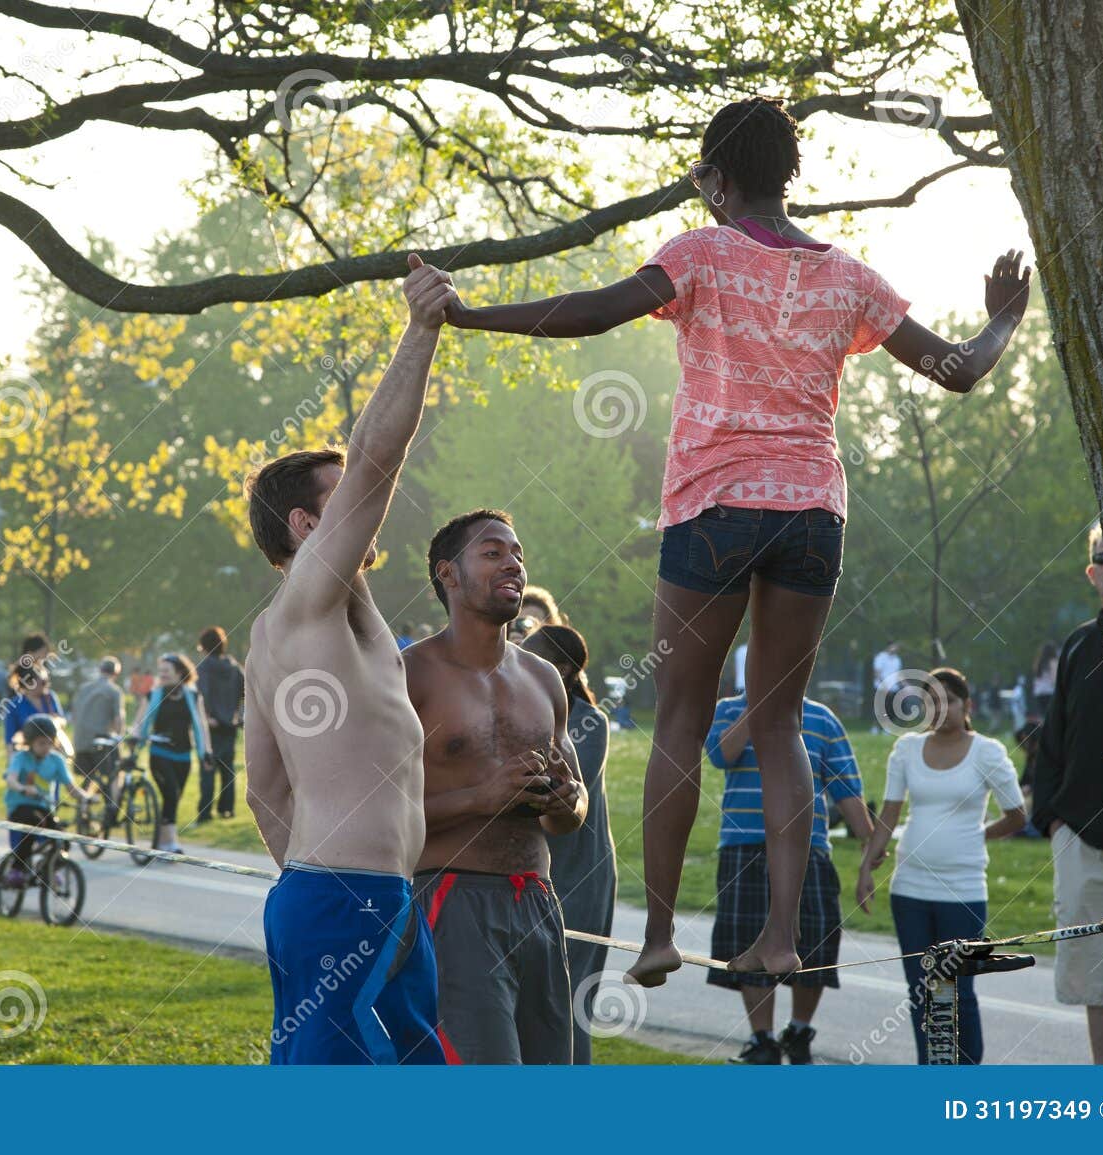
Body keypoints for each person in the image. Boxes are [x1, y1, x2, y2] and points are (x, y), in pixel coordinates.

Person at [440, 95, 1031, 985]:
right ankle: (783, 938)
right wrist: (1004, 318)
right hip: (811, 515)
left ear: (715, 180)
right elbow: (958, 370)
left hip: (714, 507)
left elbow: (593, 312)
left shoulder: (703, 252)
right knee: (780, 721)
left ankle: (661, 935)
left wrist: (469, 314)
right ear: (787, 175)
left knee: (681, 714)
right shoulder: (851, 278)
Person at [242, 255, 457, 1065]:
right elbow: (375, 456)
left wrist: (312, 877)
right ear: (305, 526)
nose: (370, 511)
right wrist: (421, 331)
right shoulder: (303, 602)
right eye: (343, 504)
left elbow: (265, 789)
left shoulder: (324, 624)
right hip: (346, 903)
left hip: (368, 902)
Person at [406, 510, 588, 1064]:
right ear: (449, 574)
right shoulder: (408, 675)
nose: (513, 563)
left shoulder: (544, 678)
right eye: (493, 552)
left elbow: (573, 806)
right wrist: (482, 799)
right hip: (450, 899)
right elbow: (373, 815)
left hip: (537, 901)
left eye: (518, 554)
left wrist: (563, 801)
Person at [857, 668, 1027, 1064]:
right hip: (910, 889)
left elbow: (1017, 815)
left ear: (966, 705)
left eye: (948, 700)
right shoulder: (906, 750)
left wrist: (976, 837)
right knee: (922, 991)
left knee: (957, 990)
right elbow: (890, 812)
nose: (940, 708)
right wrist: (867, 867)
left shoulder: (987, 751)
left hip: (963, 889)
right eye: (931, 700)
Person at [705, 691, 872, 1064]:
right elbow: (720, 755)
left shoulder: (822, 719)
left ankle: (798, 1031)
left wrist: (869, 848)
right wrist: (757, 709)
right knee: (749, 940)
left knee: (813, 940)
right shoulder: (728, 710)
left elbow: (847, 788)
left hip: (807, 847)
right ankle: (762, 1039)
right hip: (743, 843)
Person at [1030, 522, 1103, 1064]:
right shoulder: (1078, 646)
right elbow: (1053, 741)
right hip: (1084, 837)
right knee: (1098, 976)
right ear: (1093, 572)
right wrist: (1052, 818)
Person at [523, 624, 614, 1065]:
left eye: (532, 655)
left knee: (572, 997)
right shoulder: (517, 708)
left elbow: (561, 795)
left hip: (580, 877)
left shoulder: (588, 723)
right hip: (529, 877)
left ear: (561, 668)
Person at [131, 653, 210, 853]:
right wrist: (135, 738)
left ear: (180, 672)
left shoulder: (192, 696)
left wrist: (207, 752)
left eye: (167, 671)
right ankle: (170, 843)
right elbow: (139, 722)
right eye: (161, 671)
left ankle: (162, 841)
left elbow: (201, 725)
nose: (162, 675)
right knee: (171, 794)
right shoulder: (154, 695)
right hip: (159, 753)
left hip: (184, 756)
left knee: (174, 797)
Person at [2, 714, 91, 885]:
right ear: (30, 742)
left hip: (43, 807)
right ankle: (17, 869)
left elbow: (71, 788)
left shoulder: (56, 760)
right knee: (32, 826)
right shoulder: (20, 758)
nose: (46, 747)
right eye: (41, 743)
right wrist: (23, 788)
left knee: (62, 840)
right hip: (20, 806)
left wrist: (85, 797)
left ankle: (49, 868)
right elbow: (11, 779)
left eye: (50, 742)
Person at [195, 627, 245, 822]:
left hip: (212, 725)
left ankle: (205, 813)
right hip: (230, 724)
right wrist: (238, 715)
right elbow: (246, 692)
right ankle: (227, 809)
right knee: (227, 769)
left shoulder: (204, 667)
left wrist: (207, 717)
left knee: (208, 768)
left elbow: (202, 693)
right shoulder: (234, 667)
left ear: (204, 646)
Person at [71, 657, 126, 798]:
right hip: (100, 741)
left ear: (100, 670)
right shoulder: (114, 691)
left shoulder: (83, 688)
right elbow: (119, 718)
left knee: (90, 776)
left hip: (80, 741)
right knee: (115, 772)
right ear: (116, 673)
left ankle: (83, 810)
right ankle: (114, 806)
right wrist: (120, 739)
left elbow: (75, 713)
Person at [2, 664, 65, 754]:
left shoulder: (50, 697)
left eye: (46, 682)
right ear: (29, 683)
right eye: (43, 682)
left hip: (50, 751)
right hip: (27, 753)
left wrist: (55, 721)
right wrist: (11, 761)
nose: (46, 685)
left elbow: (62, 720)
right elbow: (10, 738)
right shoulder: (15, 704)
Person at [872, 642, 903, 728]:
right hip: (881, 687)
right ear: (888, 647)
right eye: (893, 646)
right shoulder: (880, 657)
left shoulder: (897, 659)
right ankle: (875, 727)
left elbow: (898, 674)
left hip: (893, 688)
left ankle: (887, 727)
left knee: (889, 709)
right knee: (879, 708)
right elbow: (877, 673)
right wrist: (885, 686)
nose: (895, 649)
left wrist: (906, 685)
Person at [1029, 641, 1060, 719]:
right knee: (1052, 716)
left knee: (1043, 717)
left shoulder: (1038, 663)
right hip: (1049, 692)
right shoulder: (1053, 662)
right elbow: (1054, 679)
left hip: (1038, 693)